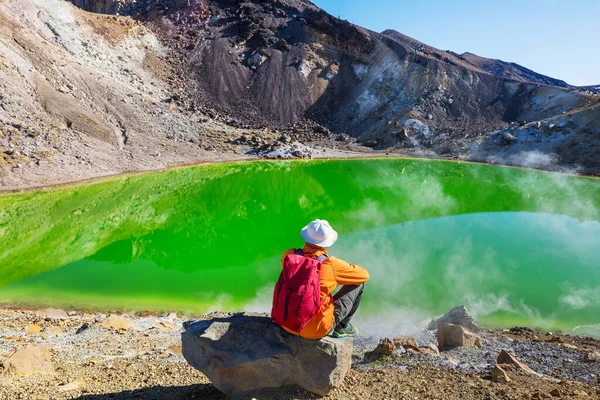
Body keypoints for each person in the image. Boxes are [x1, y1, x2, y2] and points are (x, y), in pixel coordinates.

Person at [279, 219, 369, 339]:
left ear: (306, 237)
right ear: (326, 241)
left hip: (285, 322)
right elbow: (364, 275)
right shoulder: (330, 264)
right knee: (358, 284)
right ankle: (342, 328)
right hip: (315, 330)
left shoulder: (289, 255)